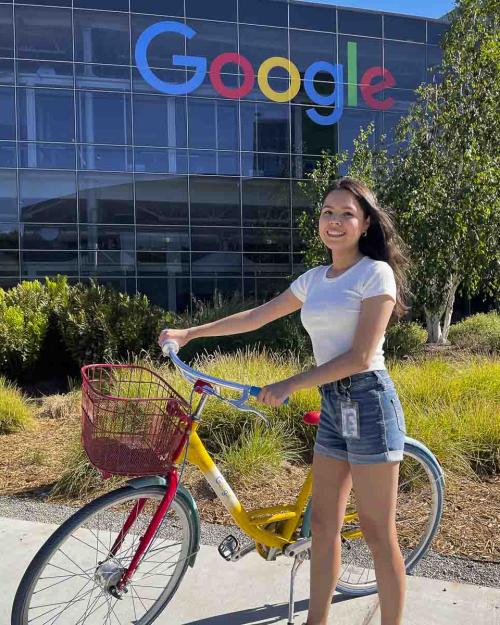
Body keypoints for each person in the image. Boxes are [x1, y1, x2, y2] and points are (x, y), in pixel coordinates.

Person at [158, 176, 410, 625]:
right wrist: (190, 332)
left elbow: (360, 356)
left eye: (346, 214)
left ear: (366, 222)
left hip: (368, 403)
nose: (335, 221)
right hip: (337, 407)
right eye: (328, 213)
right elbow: (257, 316)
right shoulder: (315, 279)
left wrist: (290, 383)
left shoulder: (375, 274)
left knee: (375, 531)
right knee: (323, 526)